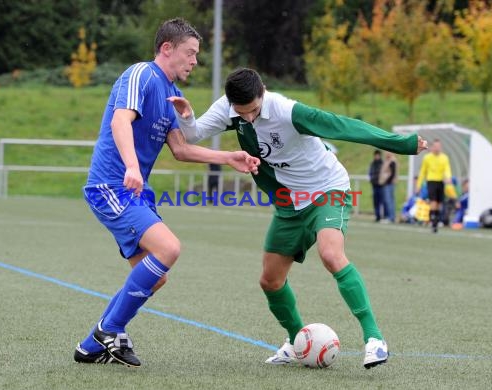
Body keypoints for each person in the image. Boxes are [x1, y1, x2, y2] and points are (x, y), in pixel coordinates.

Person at [169, 68, 428, 369]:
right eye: (243, 114)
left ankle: (374, 338)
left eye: (254, 110)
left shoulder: (287, 111)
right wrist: (187, 116)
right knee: (270, 280)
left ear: (263, 91)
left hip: (327, 190)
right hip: (289, 202)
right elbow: (193, 135)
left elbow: (344, 126)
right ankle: (296, 341)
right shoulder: (228, 107)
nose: (249, 118)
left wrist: (402, 144)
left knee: (331, 254)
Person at [74, 20, 260, 368]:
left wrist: (228, 157)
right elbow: (119, 122)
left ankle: (91, 345)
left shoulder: (168, 94)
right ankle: (109, 329)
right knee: (169, 248)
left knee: (155, 276)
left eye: (197, 56)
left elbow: (180, 149)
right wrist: (131, 165)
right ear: (166, 49)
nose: (194, 62)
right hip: (111, 185)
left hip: (133, 192)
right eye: (190, 53)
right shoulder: (142, 75)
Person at [416, 139, 452, 233]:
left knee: (439, 204)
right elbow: (422, 172)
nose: (437, 148)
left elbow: (447, 169)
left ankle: (435, 221)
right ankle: (433, 222)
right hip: (431, 182)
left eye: (439, 146)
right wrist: (418, 185)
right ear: (432, 147)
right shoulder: (427, 158)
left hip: (441, 182)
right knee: (433, 203)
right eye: (435, 146)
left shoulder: (444, 158)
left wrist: (448, 177)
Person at [379, 152, 398, 223]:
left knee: (389, 201)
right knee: (389, 201)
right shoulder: (388, 160)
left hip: (389, 184)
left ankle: (391, 217)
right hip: (388, 183)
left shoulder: (392, 161)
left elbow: (392, 174)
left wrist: (386, 181)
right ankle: (390, 216)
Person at [368, 150, 384, 222]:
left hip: (381, 185)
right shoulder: (372, 164)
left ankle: (382, 216)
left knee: (382, 201)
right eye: (375, 155)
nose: (376, 156)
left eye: (378, 155)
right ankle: (377, 215)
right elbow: (370, 173)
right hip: (374, 184)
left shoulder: (382, 163)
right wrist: (371, 179)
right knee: (376, 201)